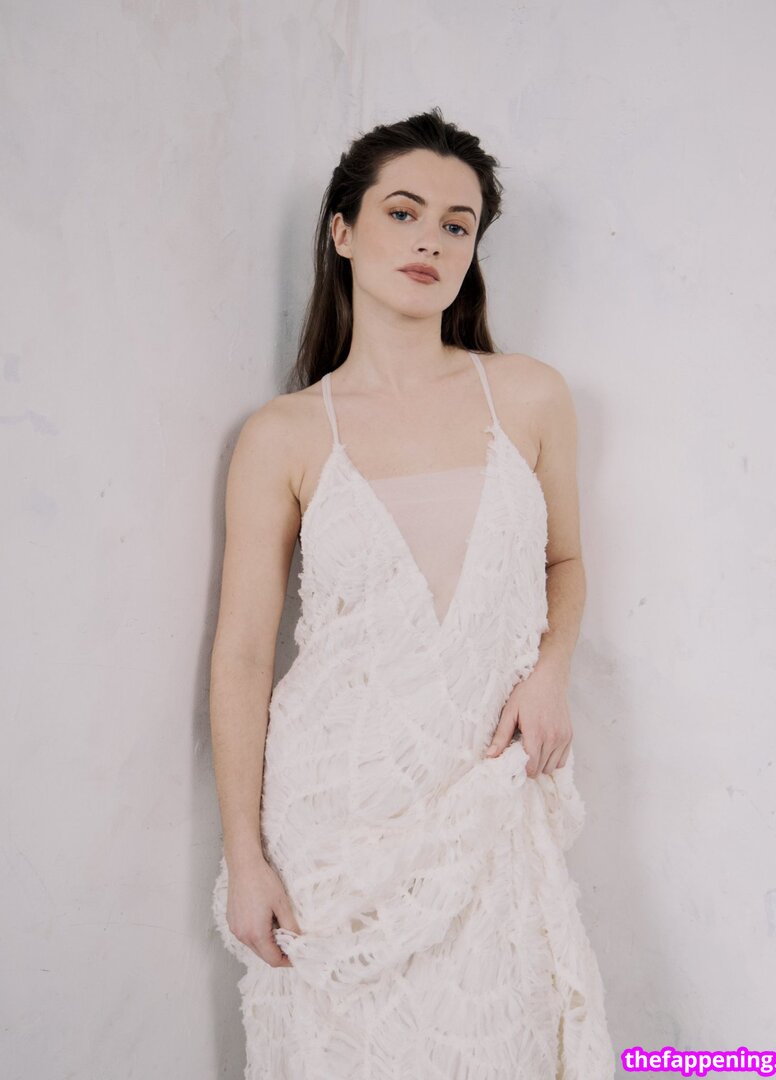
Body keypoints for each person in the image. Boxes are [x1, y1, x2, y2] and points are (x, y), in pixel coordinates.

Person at [210, 107, 616, 1079]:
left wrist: (550, 673)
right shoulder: (284, 434)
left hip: (486, 796)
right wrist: (246, 857)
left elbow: (566, 562)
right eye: (403, 212)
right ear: (343, 232)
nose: (430, 240)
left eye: (456, 224)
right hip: (332, 824)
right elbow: (243, 655)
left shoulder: (529, 396)